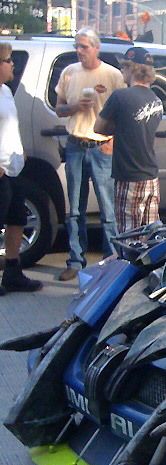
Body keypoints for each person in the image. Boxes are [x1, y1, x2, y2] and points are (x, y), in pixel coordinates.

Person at [54, 28, 125, 281]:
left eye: (84, 46)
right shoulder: (69, 72)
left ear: (96, 48)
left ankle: (110, 262)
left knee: (108, 210)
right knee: (75, 209)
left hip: (102, 147)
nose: (79, 51)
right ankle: (75, 260)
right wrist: (74, 106)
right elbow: (59, 109)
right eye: (77, 46)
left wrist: (113, 140)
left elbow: (123, 112)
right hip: (76, 145)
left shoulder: (112, 75)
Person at [94, 47, 163, 235]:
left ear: (132, 68)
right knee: (151, 234)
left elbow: (98, 127)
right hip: (151, 176)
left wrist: (116, 127)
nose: (121, 71)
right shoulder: (156, 100)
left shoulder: (120, 96)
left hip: (128, 175)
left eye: (124, 67)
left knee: (129, 234)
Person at [0, 42, 41, 294]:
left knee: (17, 219)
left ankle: (12, 273)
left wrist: (20, 150)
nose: (12, 64)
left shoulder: (5, 91)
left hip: (13, 167)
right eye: (8, 60)